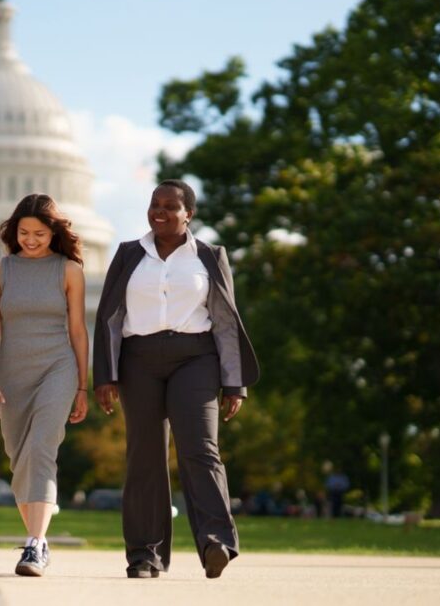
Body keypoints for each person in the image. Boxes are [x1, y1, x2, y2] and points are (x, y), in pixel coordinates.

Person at [93, 179, 259, 580]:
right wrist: (106, 375)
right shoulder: (129, 255)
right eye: (154, 204)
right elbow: (109, 317)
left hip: (196, 359)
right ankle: (144, 555)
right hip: (139, 361)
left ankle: (216, 541)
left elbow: (224, 319)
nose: (159, 212)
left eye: (170, 206)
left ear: (190, 214)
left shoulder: (209, 256)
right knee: (145, 456)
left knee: (200, 448)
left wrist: (234, 382)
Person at [0, 194, 89, 577]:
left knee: (42, 446)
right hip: (12, 372)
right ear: (14, 232)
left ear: (53, 232)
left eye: (39, 233)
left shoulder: (69, 270)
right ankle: (39, 527)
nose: (30, 239)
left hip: (58, 367)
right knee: (20, 459)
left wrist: (82, 386)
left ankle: (35, 545)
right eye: (24, 232)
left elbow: (78, 330)